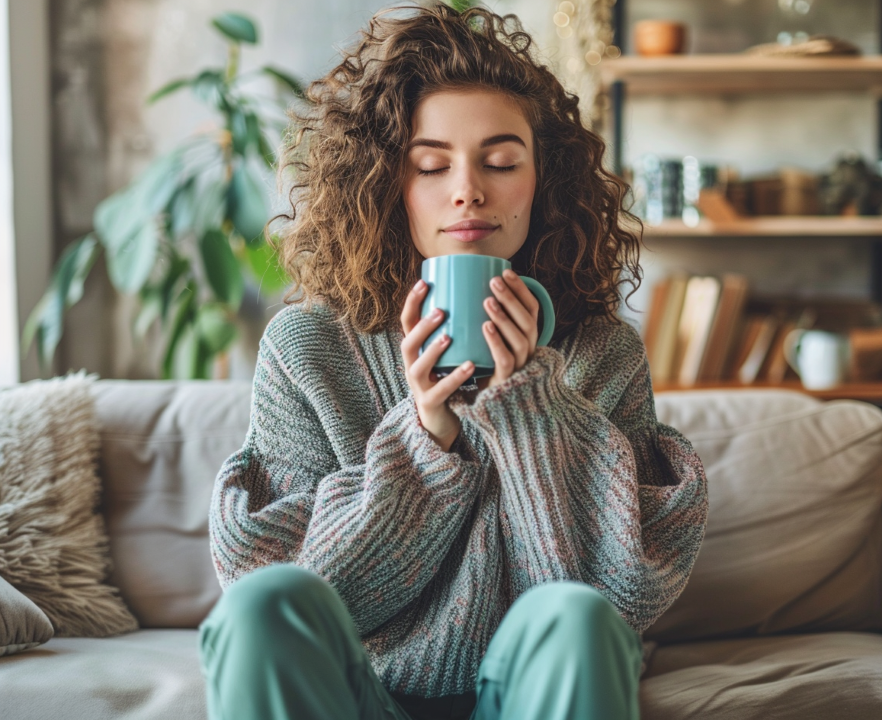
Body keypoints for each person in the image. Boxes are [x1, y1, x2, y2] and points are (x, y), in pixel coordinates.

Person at [197, 5, 708, 720]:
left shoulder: (601, 353)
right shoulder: (305, 349)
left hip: (529, 688)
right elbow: (297, 592)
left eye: (501, 162)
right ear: (387, 186)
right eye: (431, 165)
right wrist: (424, 434)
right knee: (264, 606)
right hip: (360, 694)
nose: (468, 189)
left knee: (577, 618)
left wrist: (532, 408)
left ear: (544, 181)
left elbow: (615, 600)